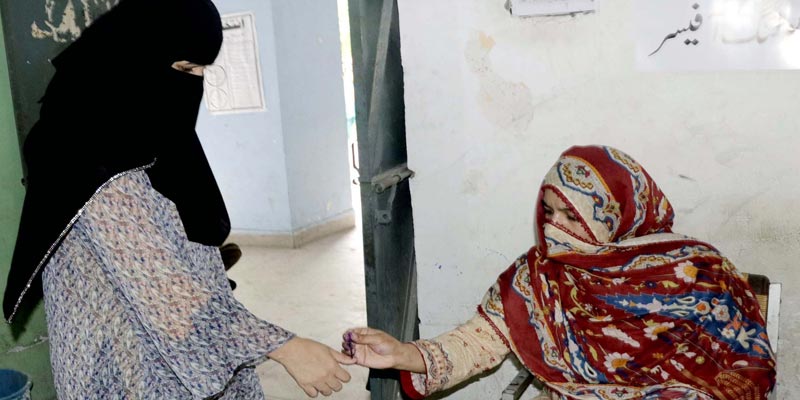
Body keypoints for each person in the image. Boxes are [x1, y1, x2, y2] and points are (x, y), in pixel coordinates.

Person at [2, 0, 353, 398]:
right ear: (135, 54)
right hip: (124, 365)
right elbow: (162, 288)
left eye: (203, 70)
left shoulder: (150, 128)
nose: (195, 83)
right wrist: (285, 347)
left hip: (177, 350)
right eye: (185, 69)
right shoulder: (84, 148)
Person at [343, 145, 776, 399]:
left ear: (616, 214)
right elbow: (477, 342)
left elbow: (748, 364)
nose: (554, 228)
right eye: (548, 212)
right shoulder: (538, 277)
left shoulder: (695, 269)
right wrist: (403, 355)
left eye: (572, 215)